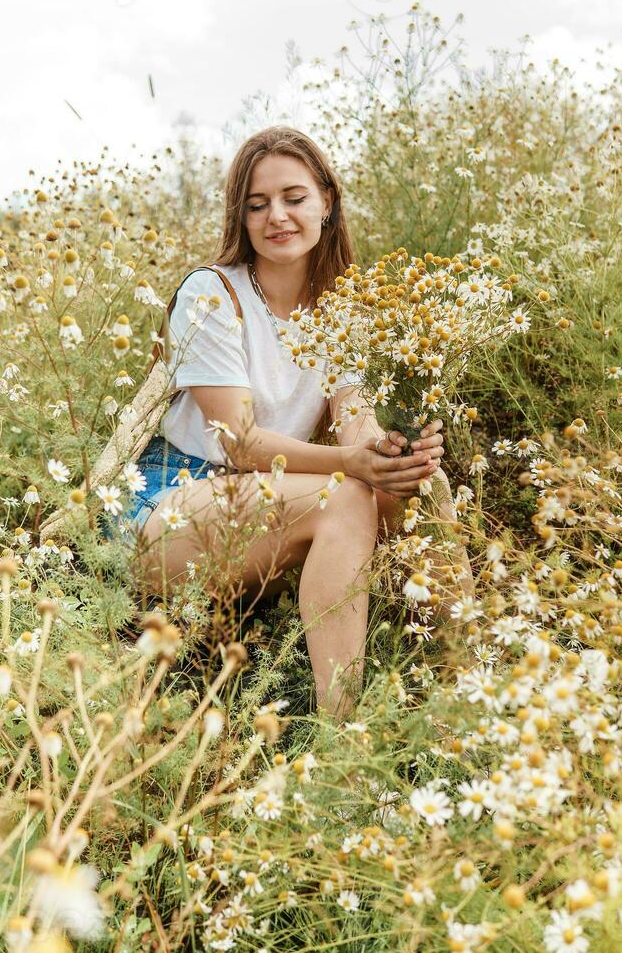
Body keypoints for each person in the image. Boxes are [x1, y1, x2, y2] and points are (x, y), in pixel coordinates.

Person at [116, 126, 459, 720]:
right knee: (348, 498)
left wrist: (390, 452)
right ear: (241, 218)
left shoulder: (342, 308)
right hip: (166, 505)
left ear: (327, 201)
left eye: (294, 198)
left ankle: (456, 684)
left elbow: (354, 419)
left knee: (415, 490)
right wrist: (353, 466)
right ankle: (339, 735)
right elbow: (240, 441)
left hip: (269, 502)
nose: (276, 215)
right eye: (257, 204)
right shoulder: (212, 292)